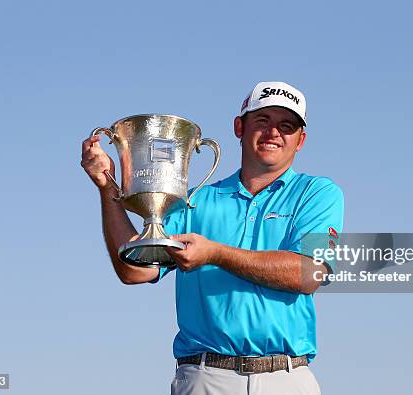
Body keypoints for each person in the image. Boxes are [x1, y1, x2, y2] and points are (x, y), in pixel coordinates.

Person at [81, 81, 344, 394]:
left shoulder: (318, 193)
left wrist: (215, 253)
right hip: (205, 376)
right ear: (239, 127)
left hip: (286, 377)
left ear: (300, 140)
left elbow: (308, 274)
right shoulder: (196, 201)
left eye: (286, 126)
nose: (274, 133)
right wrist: (107, 188)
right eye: (262, 121)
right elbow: (135, 270)